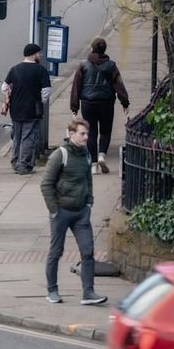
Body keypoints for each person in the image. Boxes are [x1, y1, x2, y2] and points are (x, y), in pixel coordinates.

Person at [41, 117, 107, 306]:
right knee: (56, 251)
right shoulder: (60, 155)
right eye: (82, 134)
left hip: (81, 213)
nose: (86, 137)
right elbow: (45, 184)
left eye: (87, 134)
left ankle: (89, 293)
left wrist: (89, 203)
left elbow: (88, 180)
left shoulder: (86, 155)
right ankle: (52, 291)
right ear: (72, 134)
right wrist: (54, 210)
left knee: (88, 251)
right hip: (61, 211)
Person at [69, 37, 130, 174]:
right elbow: (118, 85)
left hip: (88, 103)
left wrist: (74, 107)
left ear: (92, 48)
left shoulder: (83, 65)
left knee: (91, 133)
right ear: (104, 50)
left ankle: (93, 165)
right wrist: (125, 103)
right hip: (106, 103)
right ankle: (102, 154)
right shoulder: (111, 66)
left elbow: (76, 87)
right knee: (105, 131)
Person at [0, 43, 52, 175]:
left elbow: (4, 87)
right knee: (28, 137)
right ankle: (23, 164)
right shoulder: (41, 70)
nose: (40, 55)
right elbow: (46, 91)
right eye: (39, 53)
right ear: (33, 54)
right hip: (32, 110)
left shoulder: (14, 69)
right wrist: (40, 101)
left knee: (17, 137)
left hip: (15, 109)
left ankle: (15, 161)